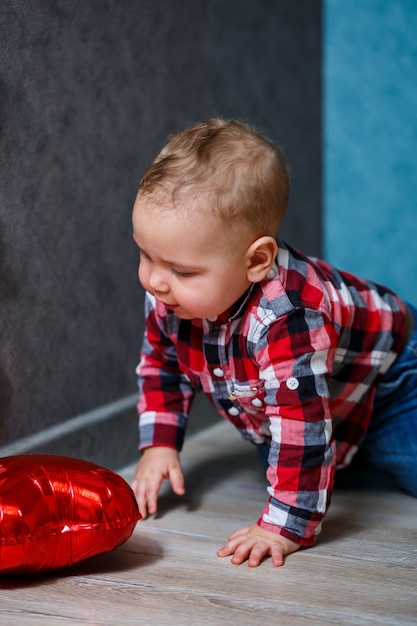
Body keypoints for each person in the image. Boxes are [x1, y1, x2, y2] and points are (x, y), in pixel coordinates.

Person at [130, 117, 417, 567]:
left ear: (256, 261)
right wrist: (159, 443)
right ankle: (342, 451)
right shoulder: (171, 296)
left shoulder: (288, 315)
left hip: (393, 379)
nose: (154, 281)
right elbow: (161, 365)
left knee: (399, 457)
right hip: (326, 392)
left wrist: (283, 525)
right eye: (145, 254)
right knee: (294, 451)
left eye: (181, 270)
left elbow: (300, 421)